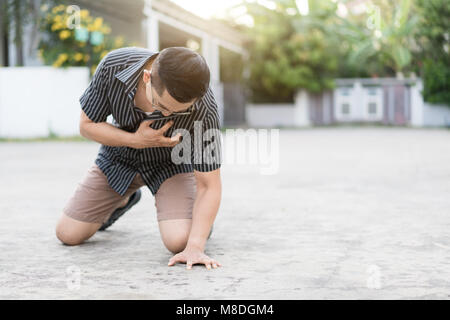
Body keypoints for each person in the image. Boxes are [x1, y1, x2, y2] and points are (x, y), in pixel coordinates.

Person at [55, 46, 222, 270]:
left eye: (176, 112)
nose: (165, 115)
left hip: (171, 164)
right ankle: (124, 200)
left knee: (179, 241)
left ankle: (196, 220)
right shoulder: (114, 66)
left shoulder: (204, 105)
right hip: (119, 157)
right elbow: (86, 127)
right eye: (161, 106)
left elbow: (209, 185)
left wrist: (195, 245)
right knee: (67, 234)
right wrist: (136, 140)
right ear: (147, 77)